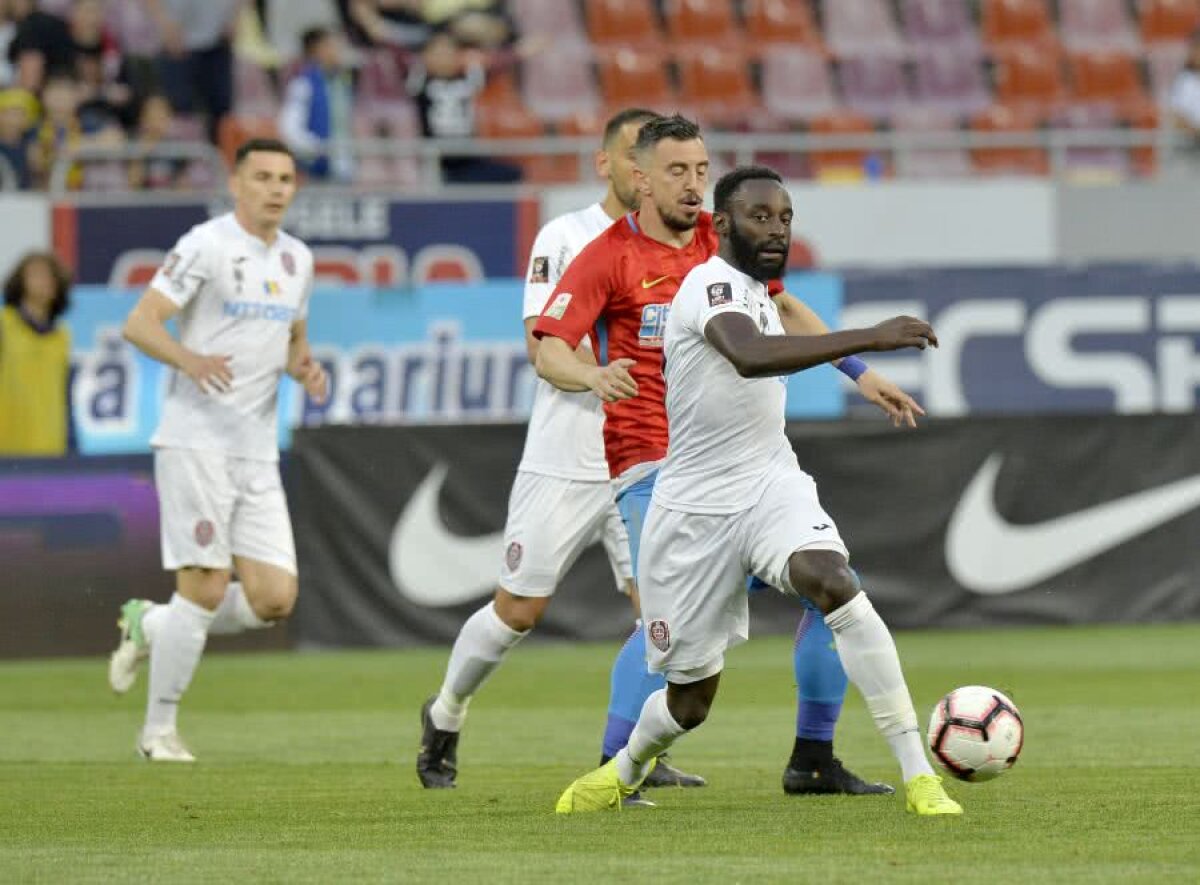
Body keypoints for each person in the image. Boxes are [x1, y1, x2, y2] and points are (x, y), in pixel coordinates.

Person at [554, 166, 963, 816]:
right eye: (759, 217)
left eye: (784, 218)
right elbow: (749, 354)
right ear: (721, 225)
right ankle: (626, 765)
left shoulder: (756, 289)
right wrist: (867, 335)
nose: (776, 231)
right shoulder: (706, 285)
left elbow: (781, 326)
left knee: (832, 580)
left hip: (771, 481)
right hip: (691, 512)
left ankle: (920, 775)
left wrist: (858, 370)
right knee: (691, 700)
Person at [417, 108, 705, 804]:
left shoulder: (690, 240)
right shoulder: (568, 236)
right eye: (640, 159)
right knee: (518, 610)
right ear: (612, 165)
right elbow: (542, 346)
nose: (653, 174)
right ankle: (446, 710)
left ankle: (627, 755)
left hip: (651, 456)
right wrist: (595, 376)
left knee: (661, 613)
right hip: (570, 451)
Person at [107, 138, 329, 762]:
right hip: (195, 439)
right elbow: (140, 321)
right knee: (204, 587)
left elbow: (293, 341)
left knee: (273, 600)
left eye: (285, 178)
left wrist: (304, 369)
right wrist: (190, 358)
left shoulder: (298, 259)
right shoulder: (204, 244)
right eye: (262, 177)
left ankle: (150, 624)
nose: (276, 188)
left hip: (255, 449)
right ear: (236, 184)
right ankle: (158, 731)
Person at [0, 251, 73, 455]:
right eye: (36, 274)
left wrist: (71, 445)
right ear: (20, 282)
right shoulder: (5, 325)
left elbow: (66, 395)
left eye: (50, 276)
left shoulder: (62, 336)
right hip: (8, 447)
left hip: (51, 447)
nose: (45, 282)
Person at [145, 0, 242, 144]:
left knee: (221, 114)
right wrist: (165, 23)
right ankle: (178, 162)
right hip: (177, 43)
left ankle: (219, 160)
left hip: (217, 41)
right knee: (177, 114)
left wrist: (236, 16)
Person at [278, 26, 354, 183]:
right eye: (334, 46)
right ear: (318, 50)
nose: (339, 51)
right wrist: (316, 150)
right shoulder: (303, 84)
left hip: (343, 169)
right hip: (314, 171)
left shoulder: (342, 83)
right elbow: (289, 128)